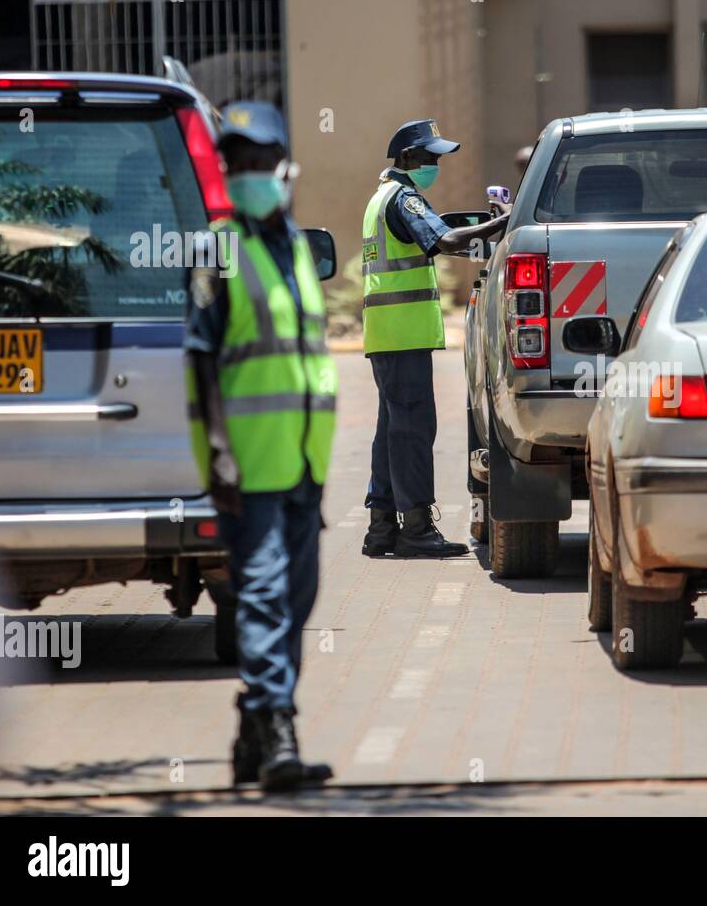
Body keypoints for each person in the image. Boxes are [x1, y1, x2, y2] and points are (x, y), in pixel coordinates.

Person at [185, 101, 336, 791]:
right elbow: (201, 366)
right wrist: (216, 460)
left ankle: (253, 731)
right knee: (267, 596)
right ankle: (278, 730)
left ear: (284, 169)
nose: (248, 174)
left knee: (299, 599)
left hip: (305, 462)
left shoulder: (298, 248)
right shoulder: (216, 249)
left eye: (258, 162)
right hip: (247, 467)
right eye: (235, 164)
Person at [360, 119, 510, 558]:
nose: (436, 165)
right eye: (430, 158)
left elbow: (435, 242)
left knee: (392, 429)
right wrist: (498, 226)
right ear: (407, 158)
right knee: (412, 430)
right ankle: (417, 528)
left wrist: (479, 238)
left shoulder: (380, 196)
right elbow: (444, 240)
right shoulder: (404, 198)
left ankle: (381, 526)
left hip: (388, 334)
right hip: (402, 334)